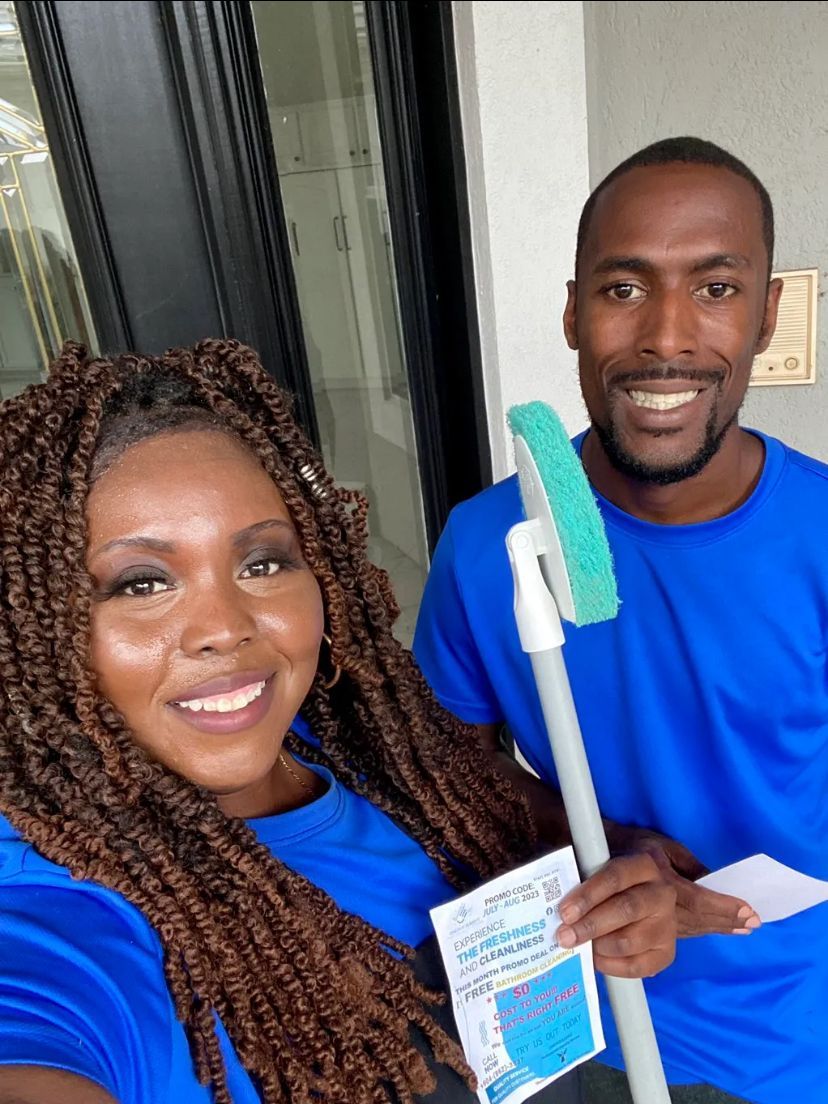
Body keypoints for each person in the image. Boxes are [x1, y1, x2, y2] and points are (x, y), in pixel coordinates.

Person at [0, 339, 676, 1104]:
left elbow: (495, 814)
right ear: (38, 623)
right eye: (142, 582)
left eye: (262, 563)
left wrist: (613, 879)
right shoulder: (59, 916)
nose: (225, 628)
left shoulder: (362, 756)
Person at [413, 137, 828, 1104]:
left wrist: (694, 903)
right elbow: (442, 767)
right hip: (569, 1024)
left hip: (785, 1042)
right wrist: (596, 840)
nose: (666, 338)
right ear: (573, 313)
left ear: (768, 314)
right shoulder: (486, 543)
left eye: (716, 289)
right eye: (624, 288)